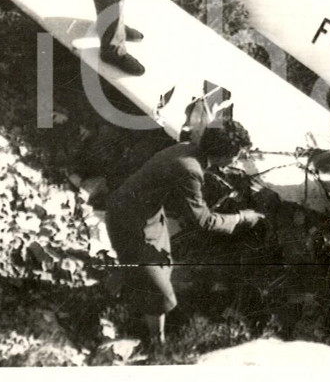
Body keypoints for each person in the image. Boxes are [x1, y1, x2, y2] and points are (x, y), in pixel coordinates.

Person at [104, 119, 265, 346]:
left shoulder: (188, 150)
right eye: (236, 155)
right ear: (222, 153)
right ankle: (156, 343)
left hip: (144, 215)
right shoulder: (190, 168)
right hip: (129, 223)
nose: (236, 160)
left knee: (160, 265)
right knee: (159, 291)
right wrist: (241, 218)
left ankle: (120, 288)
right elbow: (204, 221)